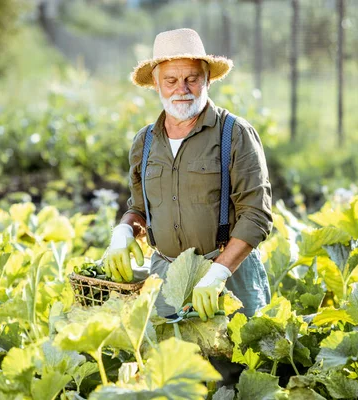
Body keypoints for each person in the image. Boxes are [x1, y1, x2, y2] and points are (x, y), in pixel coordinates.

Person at [105, 28, 272, 323]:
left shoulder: (234, 133)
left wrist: (218, 273)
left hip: (228, 280)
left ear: (207, 80)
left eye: (191, 79)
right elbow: (140, 209)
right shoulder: (144, 142)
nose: (181, 89)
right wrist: (123, 232)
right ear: (156, 84)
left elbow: (256, 215)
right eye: (171, 80)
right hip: (166, 280)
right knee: (175, 366)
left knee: (237, 364)